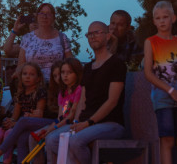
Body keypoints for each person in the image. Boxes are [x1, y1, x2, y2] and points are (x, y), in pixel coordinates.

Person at [45, 22, 126, 163]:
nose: (92, 36)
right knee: (51, 140)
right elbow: (82, 101)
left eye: (97, 32)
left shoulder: (116, 64)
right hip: (86, 123)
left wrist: (88, 122)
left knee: (75, 141)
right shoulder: (88, 68)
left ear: (107, 36)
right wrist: (76, 122)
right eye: (89, 34)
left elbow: (112, 101)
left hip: (110, 123)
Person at [143, 0, 177, 164]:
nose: (162, 21)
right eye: (158, 18)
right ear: (153, 21)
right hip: (163, 98)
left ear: (173, 18)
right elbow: (148, 73)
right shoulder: (151, 42)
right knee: (167, 140)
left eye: (165, 17)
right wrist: (170, 91)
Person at [0, 62, 46, 164]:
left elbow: (39, 116)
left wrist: (15, 124)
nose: (27, 77)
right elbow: (14, 116)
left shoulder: (40, 93)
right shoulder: (20, 95)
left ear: (38, 78)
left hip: (32, 125)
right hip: (19, 124)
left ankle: (6, 159)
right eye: (25, 74)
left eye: (31, 74)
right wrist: (9, 121)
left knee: (9, 133)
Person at [17, 3, 72, 80]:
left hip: (56, 85)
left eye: (48, 14)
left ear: (53, 18)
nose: (44, 16)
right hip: (33, 85)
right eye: (42, 13)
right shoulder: (27, 38)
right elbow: (20, 66)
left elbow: (70, 64)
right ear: (37, 16)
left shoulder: (62, 38)